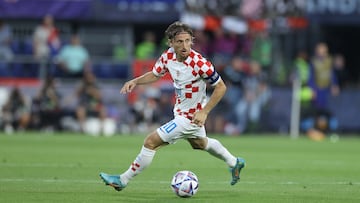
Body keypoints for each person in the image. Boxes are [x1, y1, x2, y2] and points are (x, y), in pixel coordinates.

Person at [99, 21, 245, 191]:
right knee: (200, 143)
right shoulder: (168, 56)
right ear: (171, 42)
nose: (185, 45)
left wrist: (205, 112)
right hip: (181, 113)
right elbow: (155, 74)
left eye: (188, 41)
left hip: (190, 117)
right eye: (180, 41)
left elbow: (221, 87)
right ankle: (234, 162)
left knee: (150, 142)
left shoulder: (199, 63)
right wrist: (135, 81)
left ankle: (122, 180)